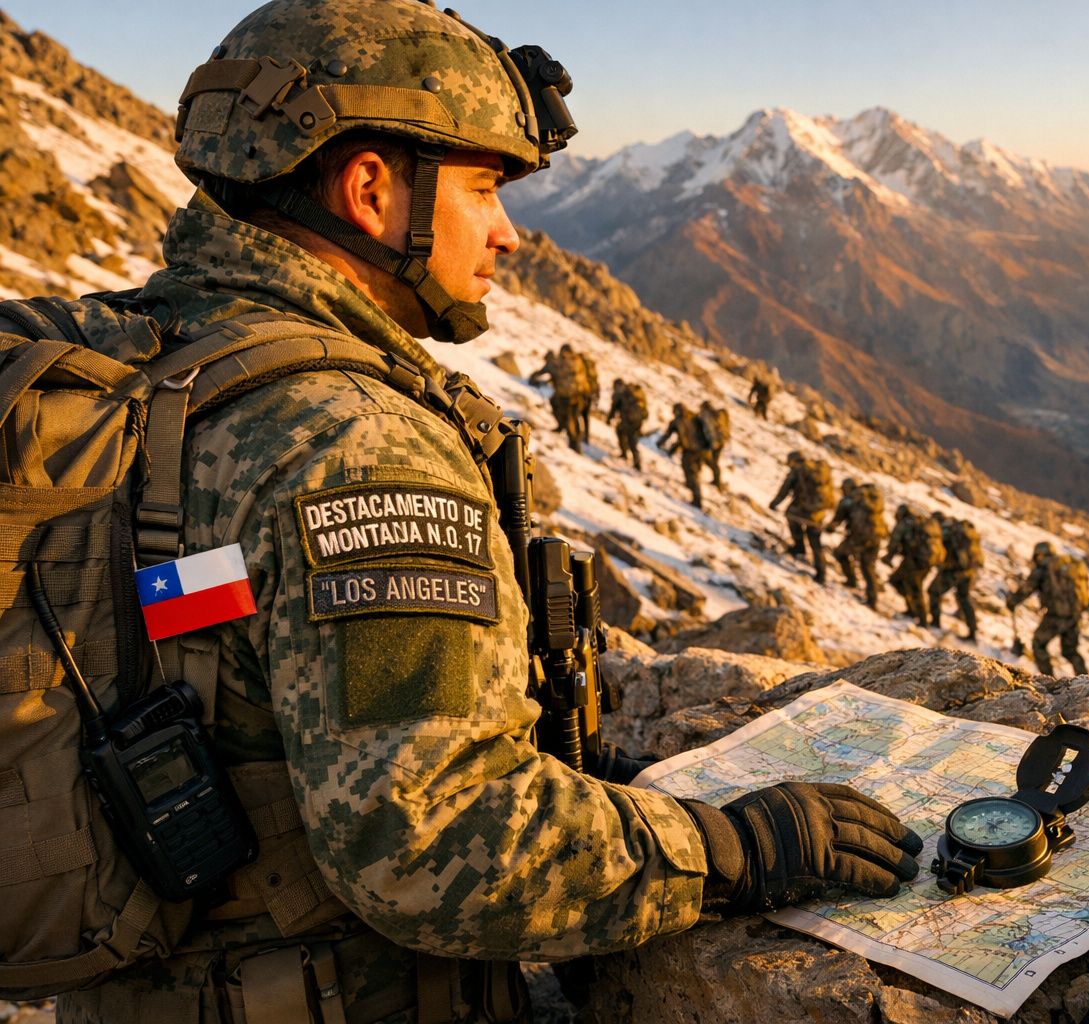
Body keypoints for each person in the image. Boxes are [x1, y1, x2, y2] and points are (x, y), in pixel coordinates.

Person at [55, 3, 920, 1020]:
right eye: (481, 187)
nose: (509, 233)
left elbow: (235, 676)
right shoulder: (354, 443)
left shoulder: (143, 357)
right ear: (371, 188)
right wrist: (738, 847)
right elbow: (429, 840)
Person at [1007, 541, 1089, 676]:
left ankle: (1049, 680)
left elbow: (1026, 589)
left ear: (1040, 554)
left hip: (1055, 617)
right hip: (1075, 616)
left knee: (1038, 645)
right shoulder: (1066, 567)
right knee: (1070, 651)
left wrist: (1012, 601)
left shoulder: (1043, 568)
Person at [769, 450, 836, 583]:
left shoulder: (798, 471)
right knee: (815, 541)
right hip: (819, 512)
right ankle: (821, 573)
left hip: (802, 508)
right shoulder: (821, 470)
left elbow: (784, 490)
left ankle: (799, 547)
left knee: (790, 516)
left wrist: (774, 504)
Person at [827, 479, 886, 609]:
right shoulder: (872, 497)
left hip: (858, 538)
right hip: (875, 538)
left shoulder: (849, 500)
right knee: (868, 567)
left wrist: (829, 528)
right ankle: (872, 600)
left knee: (840, 553)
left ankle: (851, 580)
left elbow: (837, 520)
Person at [884, 504, 943, 623]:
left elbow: (894, 541)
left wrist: (889, 557)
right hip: (926, 561)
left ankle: (922, 619)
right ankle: (913, 610)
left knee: (912, 587)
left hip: (915, 560)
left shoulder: (906, 523)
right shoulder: (920, 523)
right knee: (905, 582)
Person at [928, 513, 981, 640]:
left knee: (933, 591)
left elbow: (944, 551)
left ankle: (935, 622)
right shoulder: (963, 530)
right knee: (964, 597)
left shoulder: (946, 530)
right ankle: (973, 632)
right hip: (970, 571)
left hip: (954, 571)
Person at [659, 401, 706, 508]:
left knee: (691, 473)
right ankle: (695, 495)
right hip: (701, 450)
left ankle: (697, 501)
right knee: (694, 472)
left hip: (690, 451)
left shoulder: (678, 421)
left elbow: (670, 436)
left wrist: (659, 444)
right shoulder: (693, 417)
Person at [607, 377, 648, 470]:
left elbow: (614, 407)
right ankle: (636, 462)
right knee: (632, 440)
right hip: (638, 420)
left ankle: (625, 454)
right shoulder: (633, 392)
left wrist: (609, 418)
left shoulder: (620, 393)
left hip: (628, 420)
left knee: (620, 432)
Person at [698, 399, 731, 489]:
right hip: (721, 441)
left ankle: (717, 481)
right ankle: (716, 480)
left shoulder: (707, 415)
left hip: (714, 442)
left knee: (711, 461)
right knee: (714, 461)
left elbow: (710, 430)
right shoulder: (716, 414)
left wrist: (713, 442)